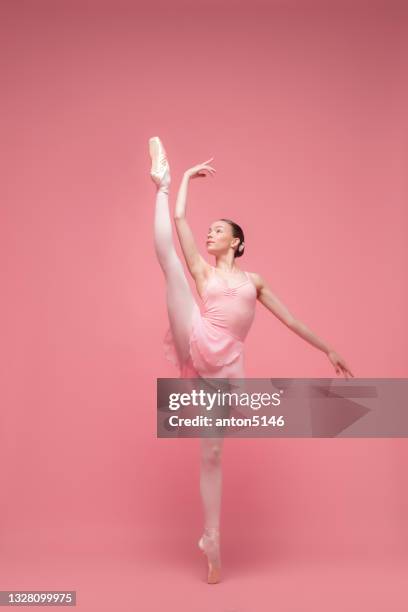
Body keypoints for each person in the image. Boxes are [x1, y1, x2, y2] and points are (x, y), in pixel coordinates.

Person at [149, 136, 354, 584]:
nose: (210, 235)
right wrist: (180, 179)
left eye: (219, 231)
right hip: (198, 336)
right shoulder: (203, 272)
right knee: (171, 265)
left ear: (237, 242)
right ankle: (158, 180)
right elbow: (181, 220)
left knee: (214, 452)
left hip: (225, 368)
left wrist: (328, 348)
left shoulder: (254, 283)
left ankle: (211, 539)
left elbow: (293, 320)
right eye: (211, 232)